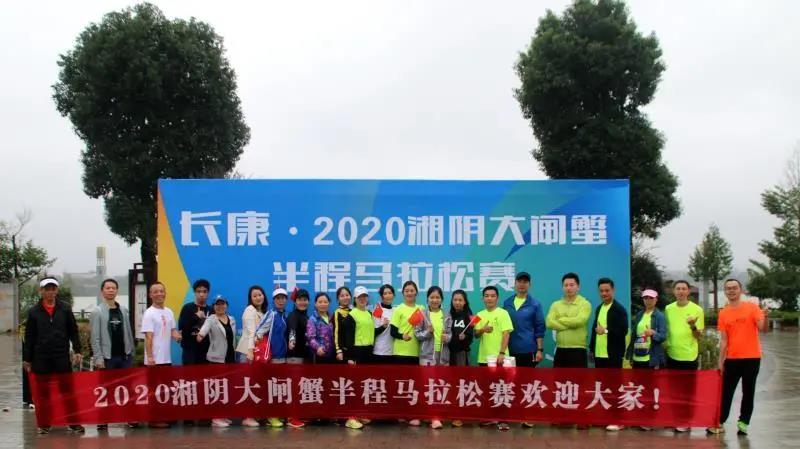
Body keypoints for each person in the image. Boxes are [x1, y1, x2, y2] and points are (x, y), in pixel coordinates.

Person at [23, 277, 85, 435]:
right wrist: (27, 359)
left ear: (57, 290)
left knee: (68, 391)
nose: (51, 292)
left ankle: (73, 422)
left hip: (61, 356)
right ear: (41, 291)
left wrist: (77, 350)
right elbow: (29, 337)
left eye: (53, 288)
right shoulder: (34, 312)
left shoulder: (65, 308)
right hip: (41, 358)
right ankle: (44, 423)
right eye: (47, 289)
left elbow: (73, 331)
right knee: (43, 394)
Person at [707, 279, 769, 436]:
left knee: (748, 391)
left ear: (741, 290)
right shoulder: (724, 312)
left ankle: (743, 422)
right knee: (726, 392)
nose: (731, 290)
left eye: (734, 288)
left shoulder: (752, 308)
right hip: (732, 359)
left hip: (752, 358)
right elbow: (724, 340)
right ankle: (719, 421)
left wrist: (766, 317)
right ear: (725, 292)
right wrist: (720, 361)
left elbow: (763, 329)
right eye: (728, 288)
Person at [90, 278, 136, 430]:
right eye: (108, 288)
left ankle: (130, 417)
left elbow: (128, 332)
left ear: (117, 291)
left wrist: (131, 351)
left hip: (124, 356)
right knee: (105, 389)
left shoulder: (123, 310)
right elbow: (95, 337)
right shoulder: (97, 311)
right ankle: (103, 419)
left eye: (113, 288)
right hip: (107, 357)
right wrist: (98, 358)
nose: (111, 290)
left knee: (127, 388)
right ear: (102, 291)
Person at [589, 278, 629, 432]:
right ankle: (605, 417)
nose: (604, 293)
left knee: (614, 387)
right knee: (602, 388)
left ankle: (618, 420)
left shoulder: (619, 309)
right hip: (600, 355)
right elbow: (595, 330)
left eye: (607, 290)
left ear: (613, 290)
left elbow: (623, 331)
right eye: (601, 291)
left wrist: (605, 331)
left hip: (613, 355)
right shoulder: (599, 308)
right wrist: (592, 349)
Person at [140, 281, 182, 429]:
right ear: (150, 295)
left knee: (165, 389)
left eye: (161, 291)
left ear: (165, 293)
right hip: (154, 360)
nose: (159, 294)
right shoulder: (149, 313)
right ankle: (154, 419)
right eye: (155, 292)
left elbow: (173, 331)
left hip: (166, 358)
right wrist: (150, 357)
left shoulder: (169, 312)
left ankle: (165, 416)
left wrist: (180, 337)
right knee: (154, 391)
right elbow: (149, 337)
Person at [664, 279, 703, 433]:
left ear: (688, 291)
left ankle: (686, 420)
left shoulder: (697, 309)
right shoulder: (668, 308)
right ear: (674, 291)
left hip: (689, 356)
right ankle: (675, 418)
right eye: (678, 289)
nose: (681, 291)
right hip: (672, 354)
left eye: (684, 289)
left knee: (688, 391)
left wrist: (692, 325)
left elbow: (698, 335)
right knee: (673, 390)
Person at [474, 285, 514, 431]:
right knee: (486, 389)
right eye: (486, 296)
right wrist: (482, 330)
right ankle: (489, 417)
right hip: (484, 358)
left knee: (502, 389)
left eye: (492, 296)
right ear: (483, 298)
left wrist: (502, 353)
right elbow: (476, 335)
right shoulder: (479, 314)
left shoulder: (503, 313)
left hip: (500, 358)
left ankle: (503, 420)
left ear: (497, 298)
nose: (489, 298)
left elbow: (506, 334)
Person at [196, 296, 236, 427]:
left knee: (227, 389)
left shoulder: (232, 319)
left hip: (230, 358)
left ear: (226, 305)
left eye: (222, 304)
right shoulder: (211, 319)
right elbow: (202, 333)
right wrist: (200, 334)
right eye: (217, 304)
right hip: (216, 359)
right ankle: (216, 417)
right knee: (217, 389)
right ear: (213, 307)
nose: (220, 306)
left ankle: (223, 415)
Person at [415, 286, 451, 429]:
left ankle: (436, 416)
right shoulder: (422, 314)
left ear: (441, 299)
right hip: (427, 356)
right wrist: (428, 332)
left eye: (437, 297)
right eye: (432, 297)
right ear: (427, 299)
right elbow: (417, 334)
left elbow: (450, 334)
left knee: (439, 386)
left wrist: (447, 337)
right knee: (426, 386)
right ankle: (425, 415)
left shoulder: (446, 314)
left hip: (442, 356)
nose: (435, 300)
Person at [389, 280, 424, 426]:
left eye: (412, 290)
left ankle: (412, 414)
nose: (409, 293)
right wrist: (402, 336)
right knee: (401, 385)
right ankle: (400, 413)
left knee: (413, 386)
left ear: (416, 292)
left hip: (416, 353)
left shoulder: (421, 309)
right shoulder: (399, 309)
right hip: (400, 352)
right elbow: (392, 332)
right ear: (403, 293)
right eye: (407, 291)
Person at [255, 286, 290, 428]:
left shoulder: (285, 315)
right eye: (278, 298)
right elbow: (259, 331)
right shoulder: (272, 314)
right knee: (273, 387)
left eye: (283, 298)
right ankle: (271, 416)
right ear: (273, 300)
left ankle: (277, 414)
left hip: (284, 357)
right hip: (273, 357)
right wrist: (257, 344)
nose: (281, 301)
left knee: (280, 387)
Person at [546, 273, 592, 368]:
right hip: (560, 350)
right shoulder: (556, 305)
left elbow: (580, 321)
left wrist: (561, 319)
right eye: (565, 285)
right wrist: (570, 323)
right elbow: (549, 323)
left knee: (578, 377)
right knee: (559, 377)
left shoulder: (585, 304)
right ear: (562, 287)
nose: (568, 288)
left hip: (578, 350)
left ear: (578, 287)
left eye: (571, 285)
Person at [503, 272, 545, 369]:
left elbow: (540, 327)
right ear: (515, 283)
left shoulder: (535, 304)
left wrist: (539, 350)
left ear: (530, 285)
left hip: (528, 350)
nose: (522, 284)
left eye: (525, 282)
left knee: (527, 377)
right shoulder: (507, 303)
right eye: (519, 281)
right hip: (509, 349)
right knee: (511, 378)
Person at [447, 289, 473, 428]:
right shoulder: (448, 315)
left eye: (460, 300)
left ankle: (460, 415)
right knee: (449, 384)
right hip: (448, 354)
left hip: (462, 354)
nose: (457, 302)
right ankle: (450, 412)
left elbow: (471, 337)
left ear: (465, 302)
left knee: (461, 384)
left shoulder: (468, 317)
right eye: (455, 300)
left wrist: (465, 338)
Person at [286, 288, 311, 429]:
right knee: (294, 388)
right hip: (294, 356)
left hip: (304, 356)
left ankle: (298, 414)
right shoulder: (293, 315)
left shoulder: (306, 316)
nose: (303, 302)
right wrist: (292, 340)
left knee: (301, 387)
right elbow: (292, 329)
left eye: (305, 300)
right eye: (300, 300)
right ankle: (292, 417)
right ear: (295, 302)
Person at [626, 289, 667, 370]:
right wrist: (630, 354)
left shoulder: (659, 316)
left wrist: (653, 333)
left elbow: (663, 336)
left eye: (651, 298)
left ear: (656, 299)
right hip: (637, 357)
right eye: (645, 298)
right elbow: (634, 336)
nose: (648, 300)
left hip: (651, 359)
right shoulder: (639, 314)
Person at [177, 279, 212, 365]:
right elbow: (181, 328)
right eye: (198, 291)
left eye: (204, 291)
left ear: (208, 293)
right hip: (190, 351)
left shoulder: (211, 310)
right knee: (189, 374)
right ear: (194, 293)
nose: (201, 294)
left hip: (206, 352)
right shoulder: (187, 308)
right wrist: (196, 317)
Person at [307, 293, 335, 363]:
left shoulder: (331, 318)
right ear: (315, 304)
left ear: (329, 303)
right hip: (319, 354)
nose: (323, 304)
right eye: (320, 302)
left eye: (325, 302)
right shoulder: (312, 319)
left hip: (332, 355)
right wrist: (318, 348)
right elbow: (310, 338)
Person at [372, 284, 395, 364]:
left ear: (393, 295)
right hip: (380, 352)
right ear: (381, 296)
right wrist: (383, 327)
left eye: (390, 293)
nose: (388, 296)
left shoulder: (395, 310)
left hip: (392, 351)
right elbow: (373, 332)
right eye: (385, 294)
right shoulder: (378, 309)